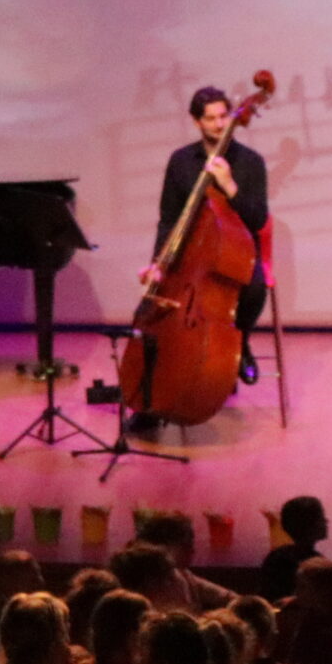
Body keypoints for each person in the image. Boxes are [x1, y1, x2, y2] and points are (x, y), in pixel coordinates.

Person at [133, 83, 272, 431]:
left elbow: (257, 219)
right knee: (154, 308)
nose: (219, 124)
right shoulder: (181, 161)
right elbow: (169, 218)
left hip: (237, 252)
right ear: (196, 122)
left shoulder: (250, 162)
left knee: (254, 288)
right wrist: (159, 263)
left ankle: (240, 342)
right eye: (210, 119)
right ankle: (150, 397)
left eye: (224, 116)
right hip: (189, 253)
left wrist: (229, 185)